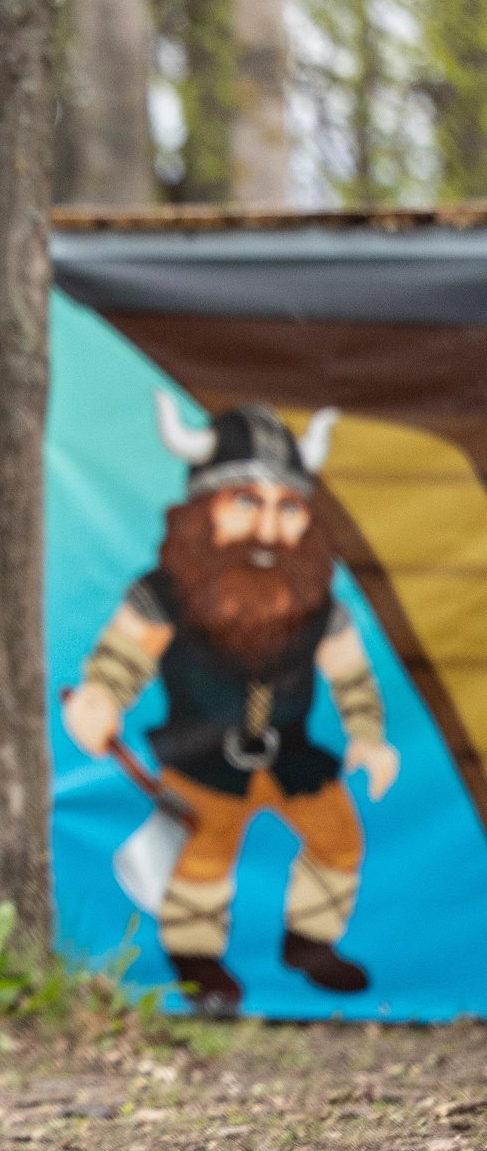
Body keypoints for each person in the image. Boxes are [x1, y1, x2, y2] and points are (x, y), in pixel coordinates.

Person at [64, 396, 399, 1015]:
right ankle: (197, 965)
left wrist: (369, 737)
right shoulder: (165, 594)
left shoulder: (319, 603)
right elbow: (120, 661)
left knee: (339, 842)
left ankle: (311, 944)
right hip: (202, 764)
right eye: (247, 501)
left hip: (294, 760)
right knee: (200, 863)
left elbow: (353, 681)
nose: (270, 528)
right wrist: (99, 700)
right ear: (203, 512)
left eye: (288, 506)